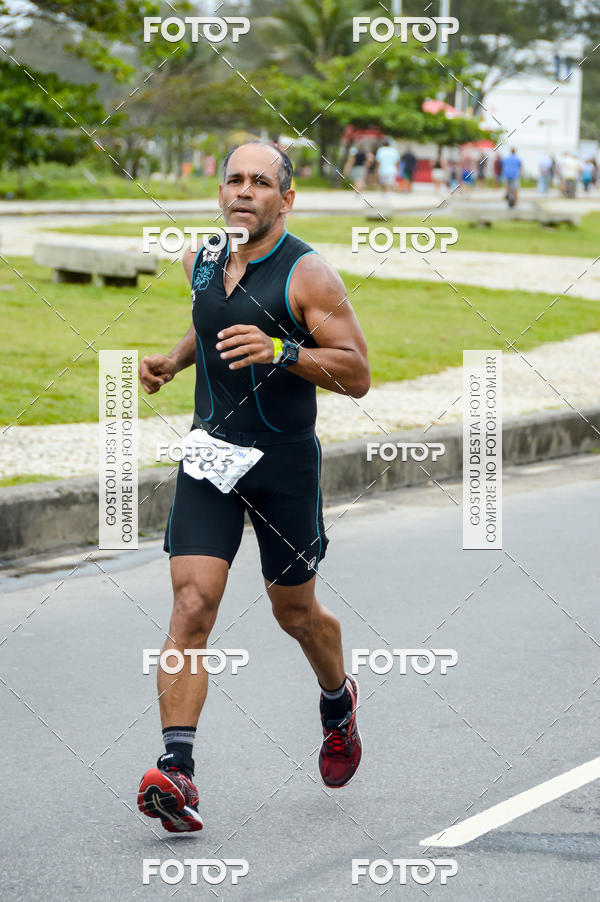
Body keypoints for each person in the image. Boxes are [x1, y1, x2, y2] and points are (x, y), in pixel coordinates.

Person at [136, 140, 369, 833]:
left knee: (295, 615)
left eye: (261, 182)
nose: (244, 191)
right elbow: (209, 322)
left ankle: (337, 702)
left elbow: (357, 372)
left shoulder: (309, 276)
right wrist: (175, 360)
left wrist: (283, 350)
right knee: (191, 605)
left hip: (283, 468)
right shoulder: (201, 259)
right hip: (210, 456)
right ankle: (177, 771)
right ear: (221, 192)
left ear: (286, 199)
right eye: (234, 179)